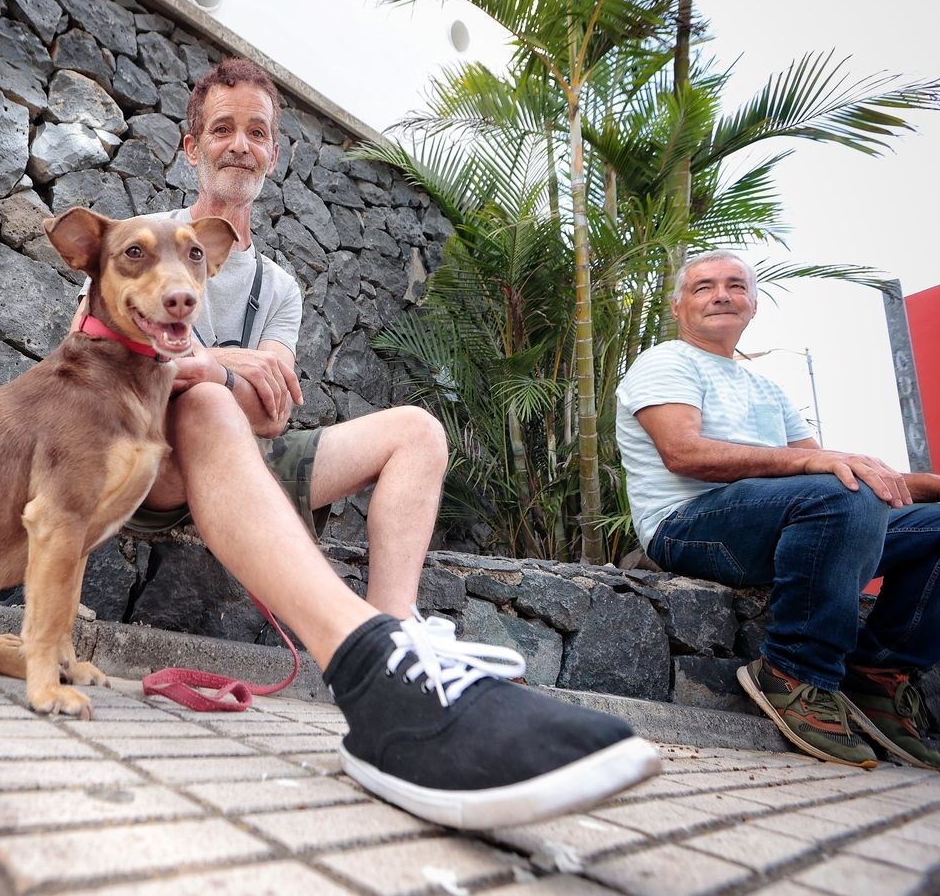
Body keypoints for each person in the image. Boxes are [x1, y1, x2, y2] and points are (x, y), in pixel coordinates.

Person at [74, 58, 660, 829]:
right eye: (223, 129)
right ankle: (372, 670)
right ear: (192, 148)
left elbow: (276, 410)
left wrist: (204, 368)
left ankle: (400, 654)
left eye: (258, 131)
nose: (240, 145)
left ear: (275, 153)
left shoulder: (274, 286)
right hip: (143, 465)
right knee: (212, 402)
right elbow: (93, 363)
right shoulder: (138, 243)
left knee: (416, 430)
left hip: (238, 461)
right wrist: (219, 368)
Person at [617, 249, 940, 771]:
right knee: (842, 491)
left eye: (735, 285)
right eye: (703, 287)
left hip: (775, 523)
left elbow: (832, 470)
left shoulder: (766, 387)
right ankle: (795, 671)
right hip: (689, 525)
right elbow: (685, 453)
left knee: (883, 501)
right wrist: (820, 462)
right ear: (678, 308)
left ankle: (880, 673)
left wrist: (930, 485)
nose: (721, 294)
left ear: (753, 305)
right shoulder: (666, 361)